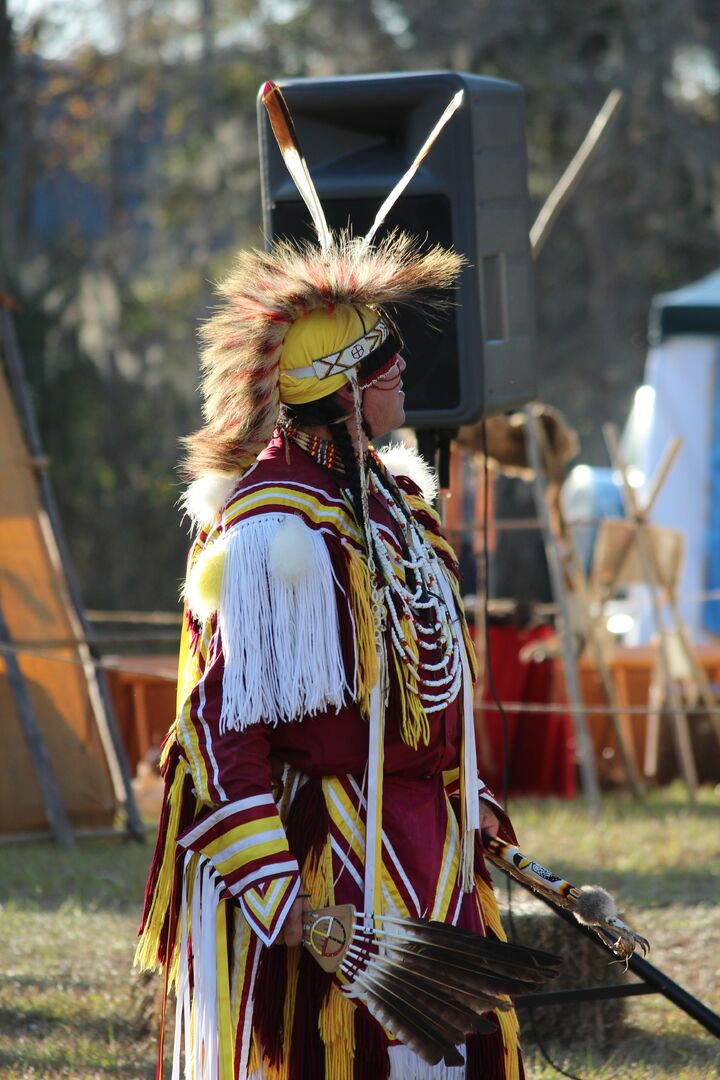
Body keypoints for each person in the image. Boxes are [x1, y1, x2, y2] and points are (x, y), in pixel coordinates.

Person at [136, 84, 524, 1080]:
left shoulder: (395, 500)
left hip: (432, 849)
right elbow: (219, 731)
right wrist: (288, 904)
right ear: (347, 388)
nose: (407, 379)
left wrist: (471, 790)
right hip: (338, 874)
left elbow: (439, 690)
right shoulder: (273, 536)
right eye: (389, 364)